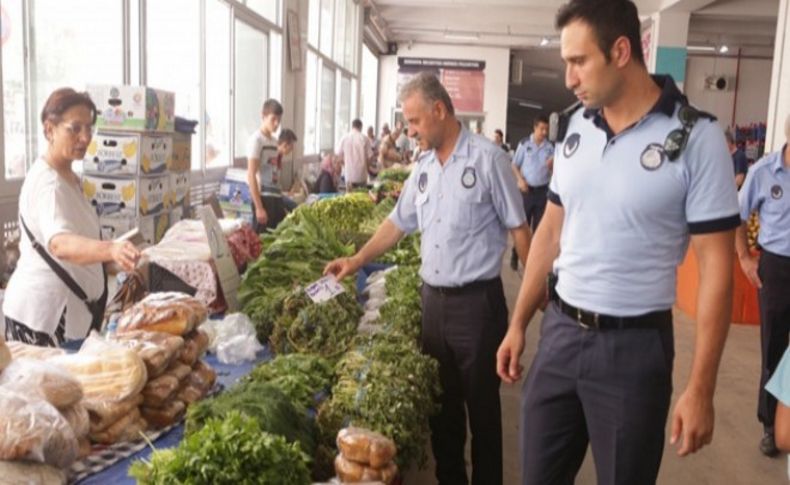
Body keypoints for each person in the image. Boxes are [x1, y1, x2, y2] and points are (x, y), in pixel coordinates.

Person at [495, 1, 740, 484]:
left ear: (621, 51)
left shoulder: (697, 138)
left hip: (634, 352)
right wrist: (519, 321)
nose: (568, 77)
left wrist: (701, 387)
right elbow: (550, 231)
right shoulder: (577, 130)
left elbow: (717, 270)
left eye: (579, 61)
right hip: (560, 335)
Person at [325, 72, 531, 485]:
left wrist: (527, 309)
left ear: (439, 111)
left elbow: (520, 231)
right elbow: (398, 223)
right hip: (432, 304)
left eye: (415, 121)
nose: (409, 131)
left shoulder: (488, 159)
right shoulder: (421, 167)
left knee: (483, 412)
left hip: (478, 306)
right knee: (443, 409)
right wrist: (358, 257)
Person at [3, 88, 141, 347]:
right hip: (44, 320)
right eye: (74, 128)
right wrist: (111, 249)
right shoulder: (49, 185)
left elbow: (81, 241)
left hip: (69, 315)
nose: (85, 137)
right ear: (49, 130)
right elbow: (60, 244)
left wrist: (114, 259)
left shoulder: (69, 178)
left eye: (89, 128)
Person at [735, 114, 790, 457]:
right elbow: (737, 215)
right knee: (774, 348)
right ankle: (771, 425)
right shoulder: (764, 171)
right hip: (777, 268)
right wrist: (744, 257)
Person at [509, 115, 554, 271]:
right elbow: (514, 165)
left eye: (546, 129)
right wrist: (520, 180)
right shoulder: (524, 144)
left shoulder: (550, 147)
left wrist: (552, 166)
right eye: (541, 129)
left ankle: (533, 261)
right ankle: (515, 254)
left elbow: (555, 169)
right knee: (523, 227)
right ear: (535, 127)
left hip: (543, 192)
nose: (544, 132)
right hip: (527, 192)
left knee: (539, 229)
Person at [246, 98, 283, 233]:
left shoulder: (275, 141)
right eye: (273, 119)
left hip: (276, 197)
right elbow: (251, 174)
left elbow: (276, 171)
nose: (276, 123)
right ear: (263, 116)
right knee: (261, 242)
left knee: (277, 239)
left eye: (279, 120)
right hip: (263, 198)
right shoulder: (256, 140)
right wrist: (259, 207)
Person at [336, 119, 373, 190]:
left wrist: (345, 164)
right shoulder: (365, 138)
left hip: (349, 175)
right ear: (361, 127)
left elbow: (338, 156)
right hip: (362, 175)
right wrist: (367, 167)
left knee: (350, 199)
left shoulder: (344, 138)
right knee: (361, 197)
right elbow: (370, 157)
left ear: (352, 126)